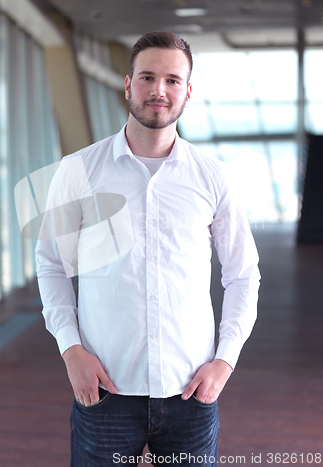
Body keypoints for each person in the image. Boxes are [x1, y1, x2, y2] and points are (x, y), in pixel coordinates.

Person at [35, 31, 260, 467]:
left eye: (173, 80)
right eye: (148, 77)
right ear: (128, 84)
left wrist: (225, 361)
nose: (159, 90)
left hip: (190, 389)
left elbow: (242, 274)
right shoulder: (77, 171)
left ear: (188, 92)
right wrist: (70, 350)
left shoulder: (214, 177)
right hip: (104, 386)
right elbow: (52, 266)